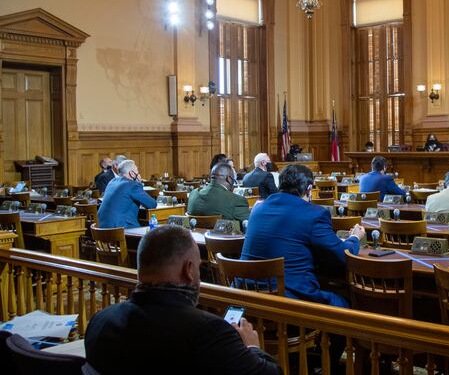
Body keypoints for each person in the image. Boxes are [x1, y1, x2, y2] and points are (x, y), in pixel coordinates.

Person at [85, 225, 281, 375]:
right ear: (188, 270)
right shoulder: (209, 332)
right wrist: (252, 347)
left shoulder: (100, 322)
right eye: (197, 267)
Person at [242, 164, 365, 307]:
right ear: (309, 189)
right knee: (350, 304)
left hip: (248, 296)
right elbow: (343, 256)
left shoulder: (258, 208)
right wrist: (355, 237)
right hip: (287, 301)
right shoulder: (314, 214)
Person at [97, 160, 157, 228]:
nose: (138, 173)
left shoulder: (112, 182)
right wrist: (139, 184)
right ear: (132, 173)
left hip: (100, 228)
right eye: (137, 170)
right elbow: (152, 204)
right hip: (120, 229)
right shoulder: (132, 185)